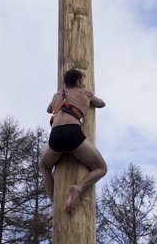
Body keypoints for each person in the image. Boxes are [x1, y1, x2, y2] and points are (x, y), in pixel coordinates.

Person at [40, 68, 107, 215]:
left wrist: (62, 93)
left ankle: (55, 202)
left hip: (55, 135)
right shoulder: (85, 94)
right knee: (101, 168)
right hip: (72, 134)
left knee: (44, 167)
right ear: (79, 81)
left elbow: (48, 109)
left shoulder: (57, 96)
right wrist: (88, 95)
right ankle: (79, 188)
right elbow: (102, 104)